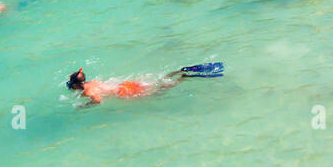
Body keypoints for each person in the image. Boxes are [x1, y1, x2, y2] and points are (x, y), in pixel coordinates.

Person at [66, 64, 224, 105]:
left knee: (160, 90)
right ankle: (180, 71)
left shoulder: (87, 91)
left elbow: (98, 100)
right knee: (159, 81)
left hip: (126, 92)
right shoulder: (92, 82)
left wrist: (84, 106)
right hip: (126, 84)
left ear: (75, 85)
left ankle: (184, 77)